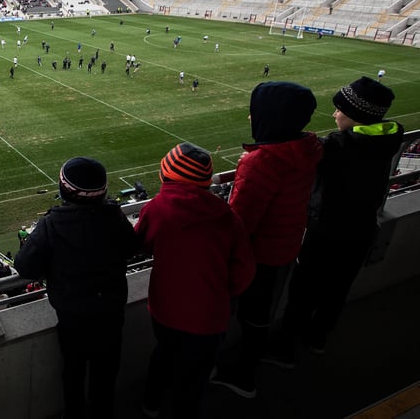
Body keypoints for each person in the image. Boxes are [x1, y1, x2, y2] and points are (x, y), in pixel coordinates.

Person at [265, 77, 404, 367]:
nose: (334, 114)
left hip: (326, 231)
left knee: (303, 292)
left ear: (355, 114)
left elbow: (297, 156)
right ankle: (317, 338)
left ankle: (285, 350)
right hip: (362, 229)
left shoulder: (338, 147)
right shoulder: (387, 138)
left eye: (339, 109)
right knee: (337, 290)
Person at [211, 81, 323, 399]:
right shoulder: (309, 148)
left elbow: (241, 220)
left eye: (254, 112)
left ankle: (242, 376)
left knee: (237, 312)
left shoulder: (263, 161)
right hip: (287, 244)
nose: (250, 118)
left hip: (256, 254)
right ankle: (263, 359)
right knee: (261, 313)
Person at [136, 143, 255, 418]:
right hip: (210, 316)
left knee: (164, 355)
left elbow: (141, 243)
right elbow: (245, 268)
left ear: (166, 176)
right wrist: (224, 294)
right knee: (194, 377)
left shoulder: (156, 209)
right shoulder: (227, 215)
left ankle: (150, 404)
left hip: (165, 309)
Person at [15, 157, 139, 419]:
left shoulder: (52, 224)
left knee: (73, 369)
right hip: (111, 311)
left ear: (63, 191)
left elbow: (25, 266)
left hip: (73, 315)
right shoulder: (113, 216)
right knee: (106, 372)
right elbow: (132, 248)